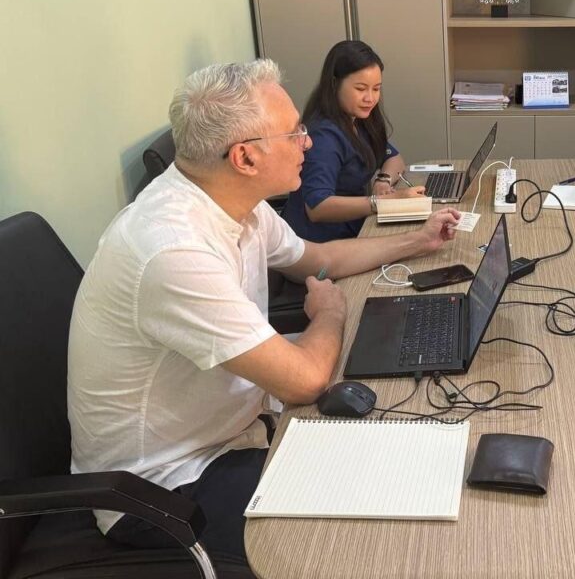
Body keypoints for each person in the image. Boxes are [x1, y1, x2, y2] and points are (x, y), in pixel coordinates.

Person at [67, 58, 459, 566]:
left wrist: (418, 241)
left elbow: (319, 259)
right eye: (295, 133)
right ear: (245, 157)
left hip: (233, 430)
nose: (308, 142)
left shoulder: (236, 202)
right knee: (369, 537)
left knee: (404, 456)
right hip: (165, 487)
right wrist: (329, 313)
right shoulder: (172, 249)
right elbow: (304, 381)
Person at [282, 40, 424, 242]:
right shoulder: (323, 136)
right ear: (335, 84)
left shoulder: (360, 119)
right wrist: (383, 202)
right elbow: (317, 207)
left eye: (376, 89)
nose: (370, 98)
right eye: (361, 88)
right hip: (320, 243)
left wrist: (382, 181)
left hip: (355, 228)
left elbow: (394, 159)